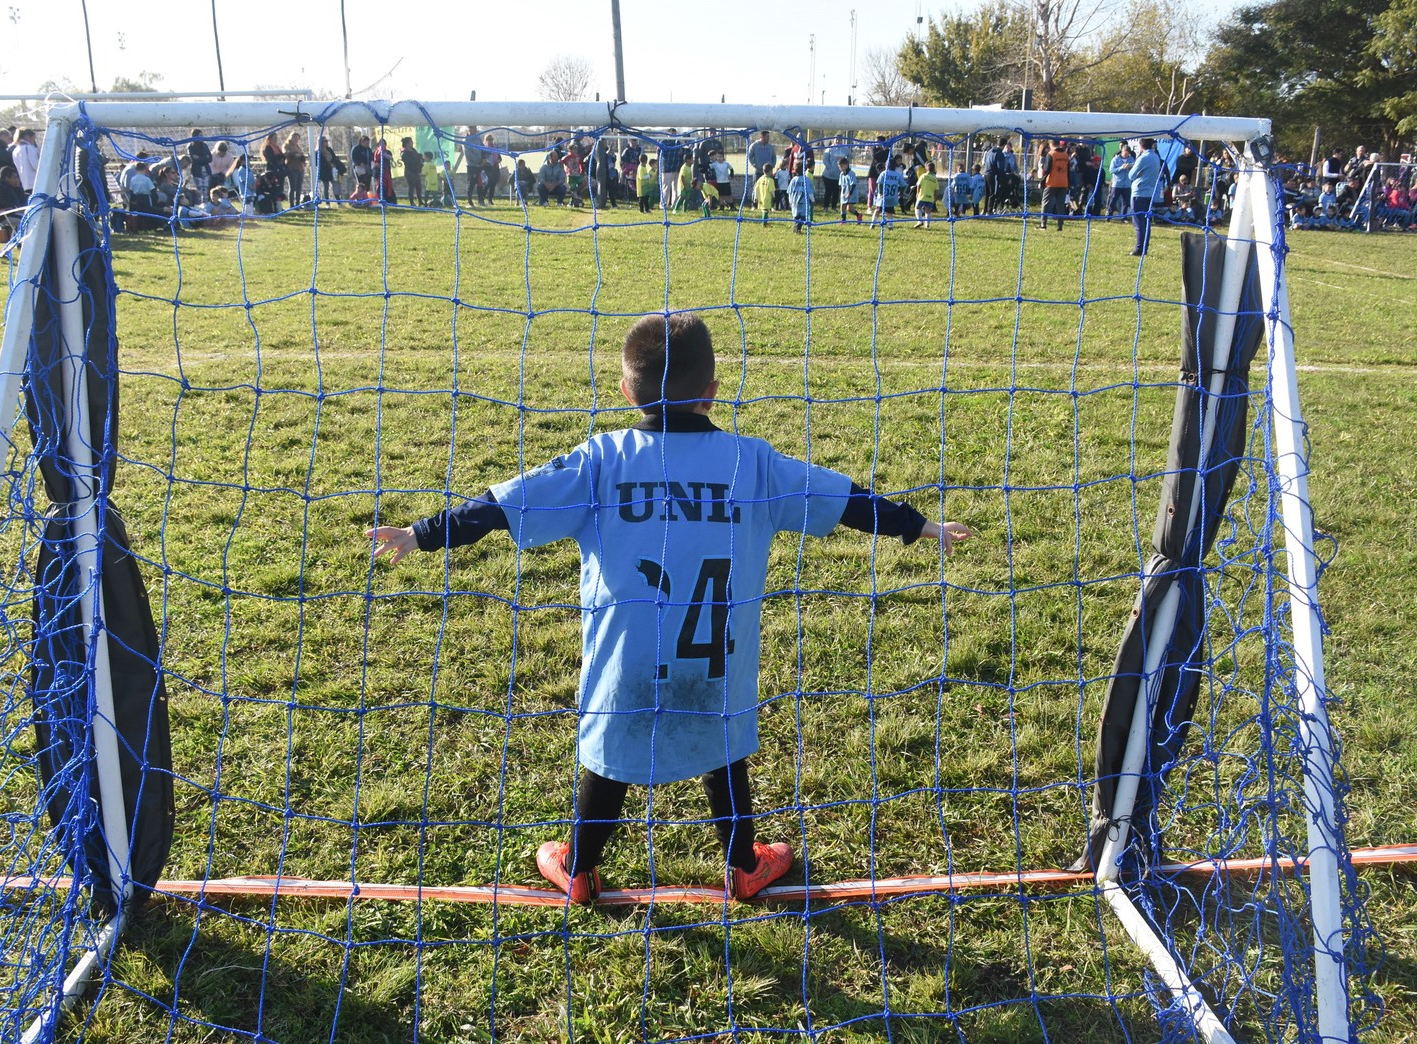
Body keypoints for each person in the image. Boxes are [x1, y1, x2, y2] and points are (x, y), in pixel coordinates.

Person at [366, 313, 970, 902]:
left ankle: (578, 868)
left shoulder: (603, 459)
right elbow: (846, 500)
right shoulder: (751, 462)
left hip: (625, 657)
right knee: (723, 749)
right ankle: (743, 867)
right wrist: (921, 527)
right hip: (716, 659)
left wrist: (422, 533)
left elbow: (503, 503)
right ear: (712, 392)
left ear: (627, 391)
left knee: (609, 754)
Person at [1127, 137, 1163, 256]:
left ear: (1141, 145)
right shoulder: (1156, 157)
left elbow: (1131, 175)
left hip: (1139, 192)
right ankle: (1145, 248)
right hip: (1150, 193)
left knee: (1138, 223)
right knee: (1146, 222)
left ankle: (1139, 249)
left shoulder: (1143, 157)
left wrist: (1137, 171)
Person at [1040, 140, 1070, 231]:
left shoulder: (1051, 154)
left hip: (1052, 182)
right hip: (1063, 182)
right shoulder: (1065, 155)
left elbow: (1047, 169)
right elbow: (1068, 170)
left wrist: (1042, 181)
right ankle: (1060, 226)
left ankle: (1043, 224)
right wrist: (1068, 183)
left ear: (1051, 144)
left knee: (1045, 203)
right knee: (1061, 205)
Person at [10, 129, 40, 194]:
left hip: (23, 183)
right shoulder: (29, 148)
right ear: (27, 137)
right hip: (34, 182)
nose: (34, 141)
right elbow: (36, 165)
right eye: (33, 138)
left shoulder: (15, 150)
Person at [316, 136, 345, 203]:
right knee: (326, 187)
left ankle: (338, 202)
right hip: (324, 172)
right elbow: (319, 163)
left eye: (327, 141)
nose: (326, 143)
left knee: (335, 186)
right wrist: (329, 165)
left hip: (332, 171)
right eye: (325, 141)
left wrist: (333, 164)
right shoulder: (318, 152)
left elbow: (334, 158)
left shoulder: (329, 150)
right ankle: (327, 202)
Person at [283, 132, 308, 207]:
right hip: (292, 168)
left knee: (299, 187)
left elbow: (301, 155)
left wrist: (303, 159)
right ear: (291, 138)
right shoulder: (286, 145)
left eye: (297, 138)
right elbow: (285, 153)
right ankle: (291, 203)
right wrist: (294, 154)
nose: (296, 140)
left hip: (300, 168)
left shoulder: (298, 146)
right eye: (294, 138)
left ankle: (298, 203)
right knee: (292, 187)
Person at [914, 163, 941, 228]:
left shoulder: (923, 176)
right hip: (930, 197)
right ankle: (927, 224)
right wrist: (935, 197)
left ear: (926, 168)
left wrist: (917, 193)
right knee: (928, 211)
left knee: (917, 208)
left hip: (922, 196)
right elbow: (936, 189)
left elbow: (918, 185)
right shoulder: (934, 179)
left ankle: (920, 221)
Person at [836, 156, 862, 223]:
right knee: (842, 207)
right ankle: (843, 220)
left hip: (851, 193)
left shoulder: (851, 174)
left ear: (846, 165)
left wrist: (850, 193)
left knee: (849, 208)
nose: (840, 168)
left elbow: (853, 184)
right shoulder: (841, 174)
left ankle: (858, 215)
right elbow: (840, 185)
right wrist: (840, 193)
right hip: (844, 193)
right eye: (839, 167)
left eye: (842, 166)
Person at [187, 130, 214, 195]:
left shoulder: (205, 146)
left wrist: (199, 158)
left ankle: (205, 203)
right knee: (199, 190)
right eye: (200, 135)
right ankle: (199, 204)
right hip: (197, 171)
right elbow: (193, 160)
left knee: (206, 190)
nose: (202, 137)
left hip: (206, 171)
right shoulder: (190, 146)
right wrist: (204, 158)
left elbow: (210, 158)